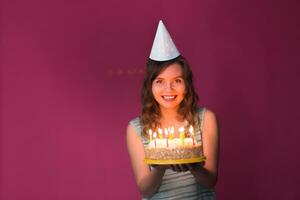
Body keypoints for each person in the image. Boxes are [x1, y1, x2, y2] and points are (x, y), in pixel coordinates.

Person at [127, 20, 219, 200]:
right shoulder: (136, 129)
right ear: (150, 86)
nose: (168, 89)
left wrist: (193, 165)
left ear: (187, 83)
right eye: (160, 81)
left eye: (177, 80)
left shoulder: (205, 119)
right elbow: (145, 190)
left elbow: (211, 181)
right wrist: (160, 166)